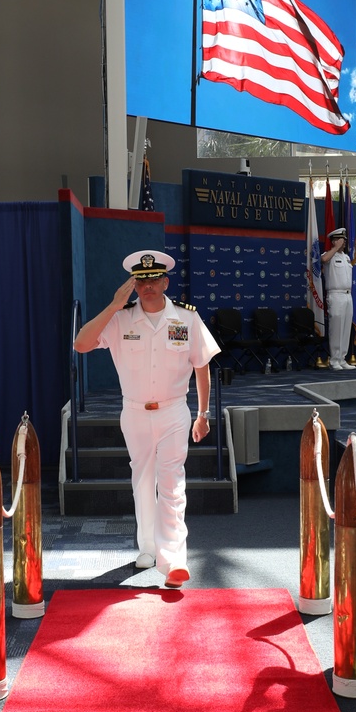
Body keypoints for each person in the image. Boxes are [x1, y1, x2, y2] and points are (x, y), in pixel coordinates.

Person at [73, 250, 220, 588]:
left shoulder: (186, 318)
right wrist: (112, 305)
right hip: (135, 412)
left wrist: (203, 414)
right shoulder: (121, 318)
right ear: (134, 284)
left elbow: (202, 366)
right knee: (142, 481)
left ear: (166, 282)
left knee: (172, 482)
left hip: (173, 410)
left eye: (154, 280)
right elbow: (81, 344)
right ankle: (148, 547)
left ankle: (174, 559)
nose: (147, 286)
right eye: (141, 280)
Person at [322, 227, 354, 369]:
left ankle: (342, 358)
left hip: (348, 295)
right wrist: (335, 248)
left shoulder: (346, 258)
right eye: (342, 240)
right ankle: (334, 359)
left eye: (345, 240)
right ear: (335, 241)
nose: (344, 243)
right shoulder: (329, 255)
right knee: (336, 327)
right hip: (335, 295)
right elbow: (323, 259)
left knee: (346, 327)